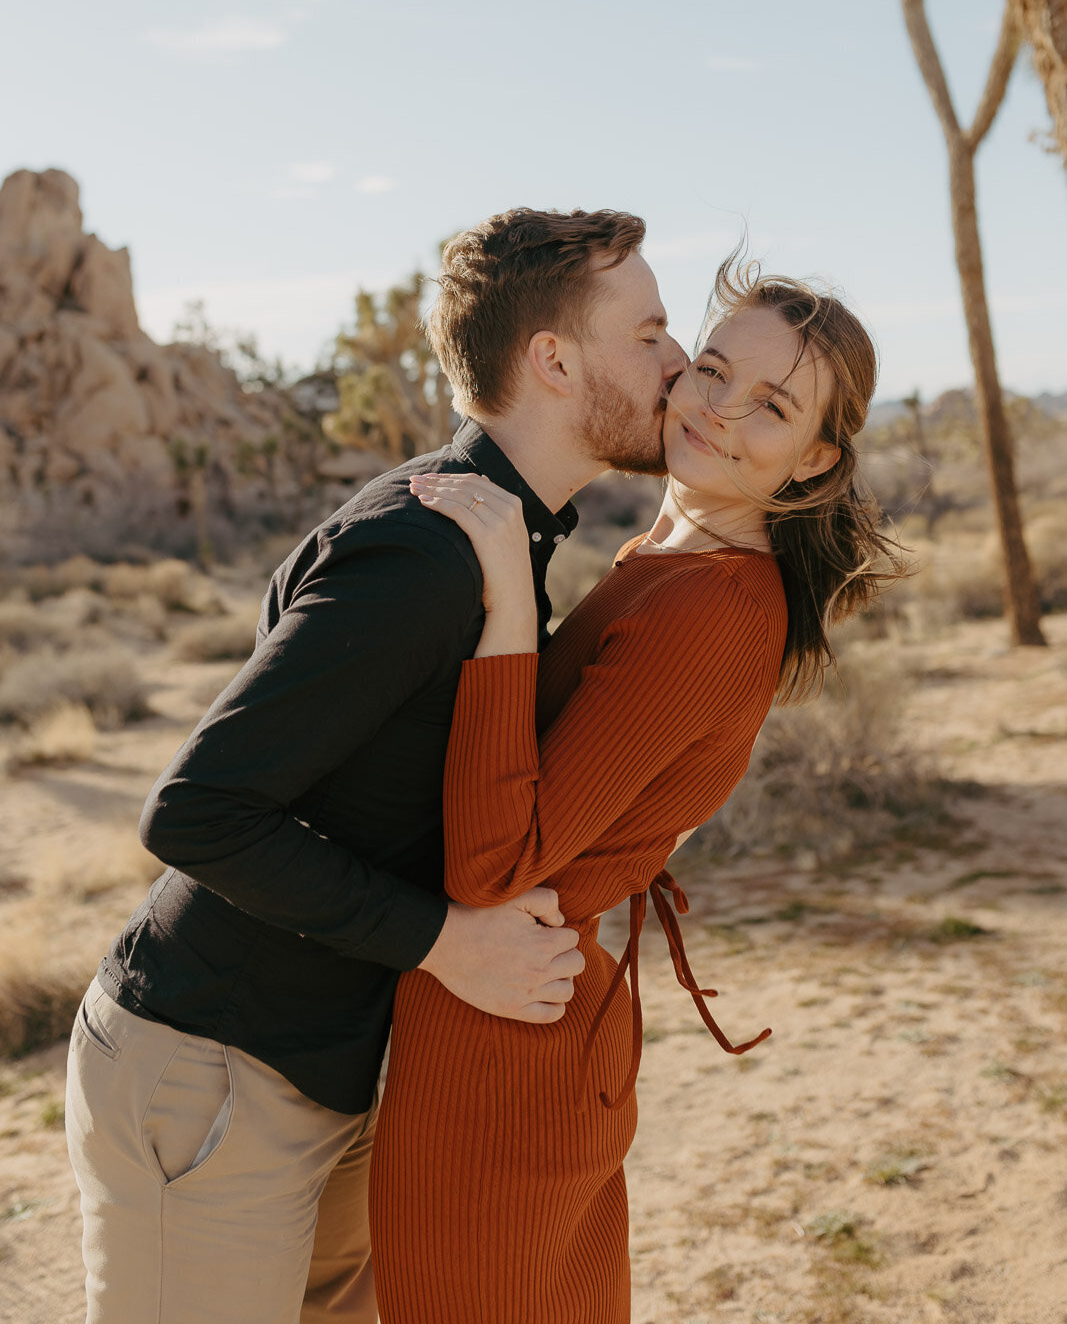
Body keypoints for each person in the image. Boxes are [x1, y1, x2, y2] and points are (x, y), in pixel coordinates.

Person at [64, 207, 688, 1324]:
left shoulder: (492, 535)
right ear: (551, 359)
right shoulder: (423, 547)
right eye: (645, 333)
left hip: (324, 1076)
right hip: (213, 1067)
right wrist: (451, 944)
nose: (676, 360)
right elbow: (198, 811)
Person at [370, 259, 904, 1324]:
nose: (716, 409)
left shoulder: (712, 604)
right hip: (520, 1009)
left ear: (813, 462)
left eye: (772, 408)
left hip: (502, 1051)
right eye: (709, 369)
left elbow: (494, 859)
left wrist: (506, 598)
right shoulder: (666, 560)